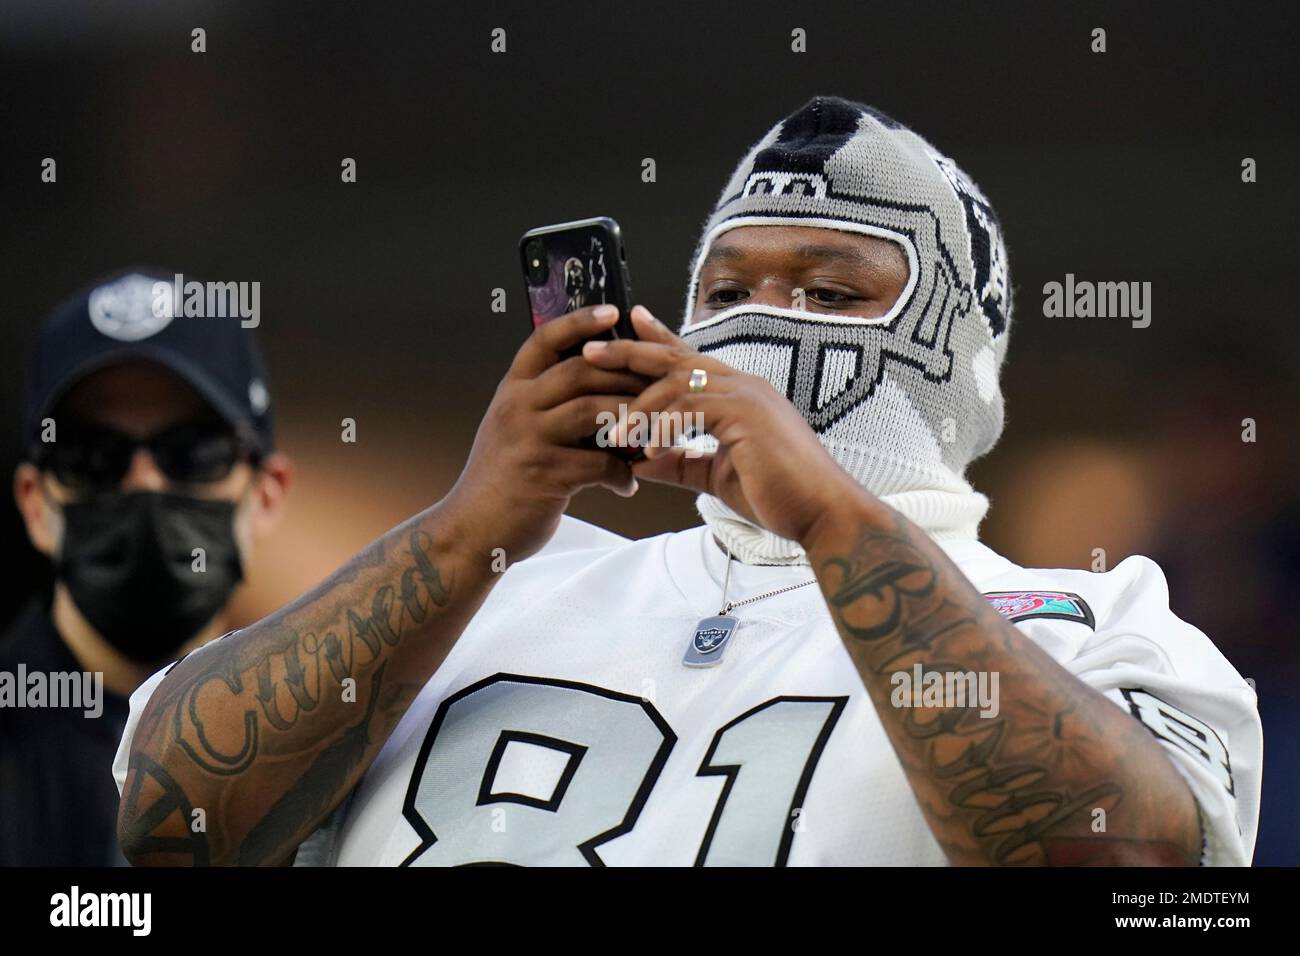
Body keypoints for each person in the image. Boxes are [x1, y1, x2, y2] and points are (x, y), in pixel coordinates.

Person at [113, 97, 1260, 866]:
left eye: (833, 290)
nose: (765, 321)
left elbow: (1123, 863)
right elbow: (168, 825)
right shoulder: (494, 586)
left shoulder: (1104, 620)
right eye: (728, 286)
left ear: (960, 350)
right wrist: (472, 527)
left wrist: (825, 512)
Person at [0, 269, 291, 865]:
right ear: (34, 503)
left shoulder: (320, 747)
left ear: (267, 496)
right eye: (92, 457)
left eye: (191, 452)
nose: (144, 485)